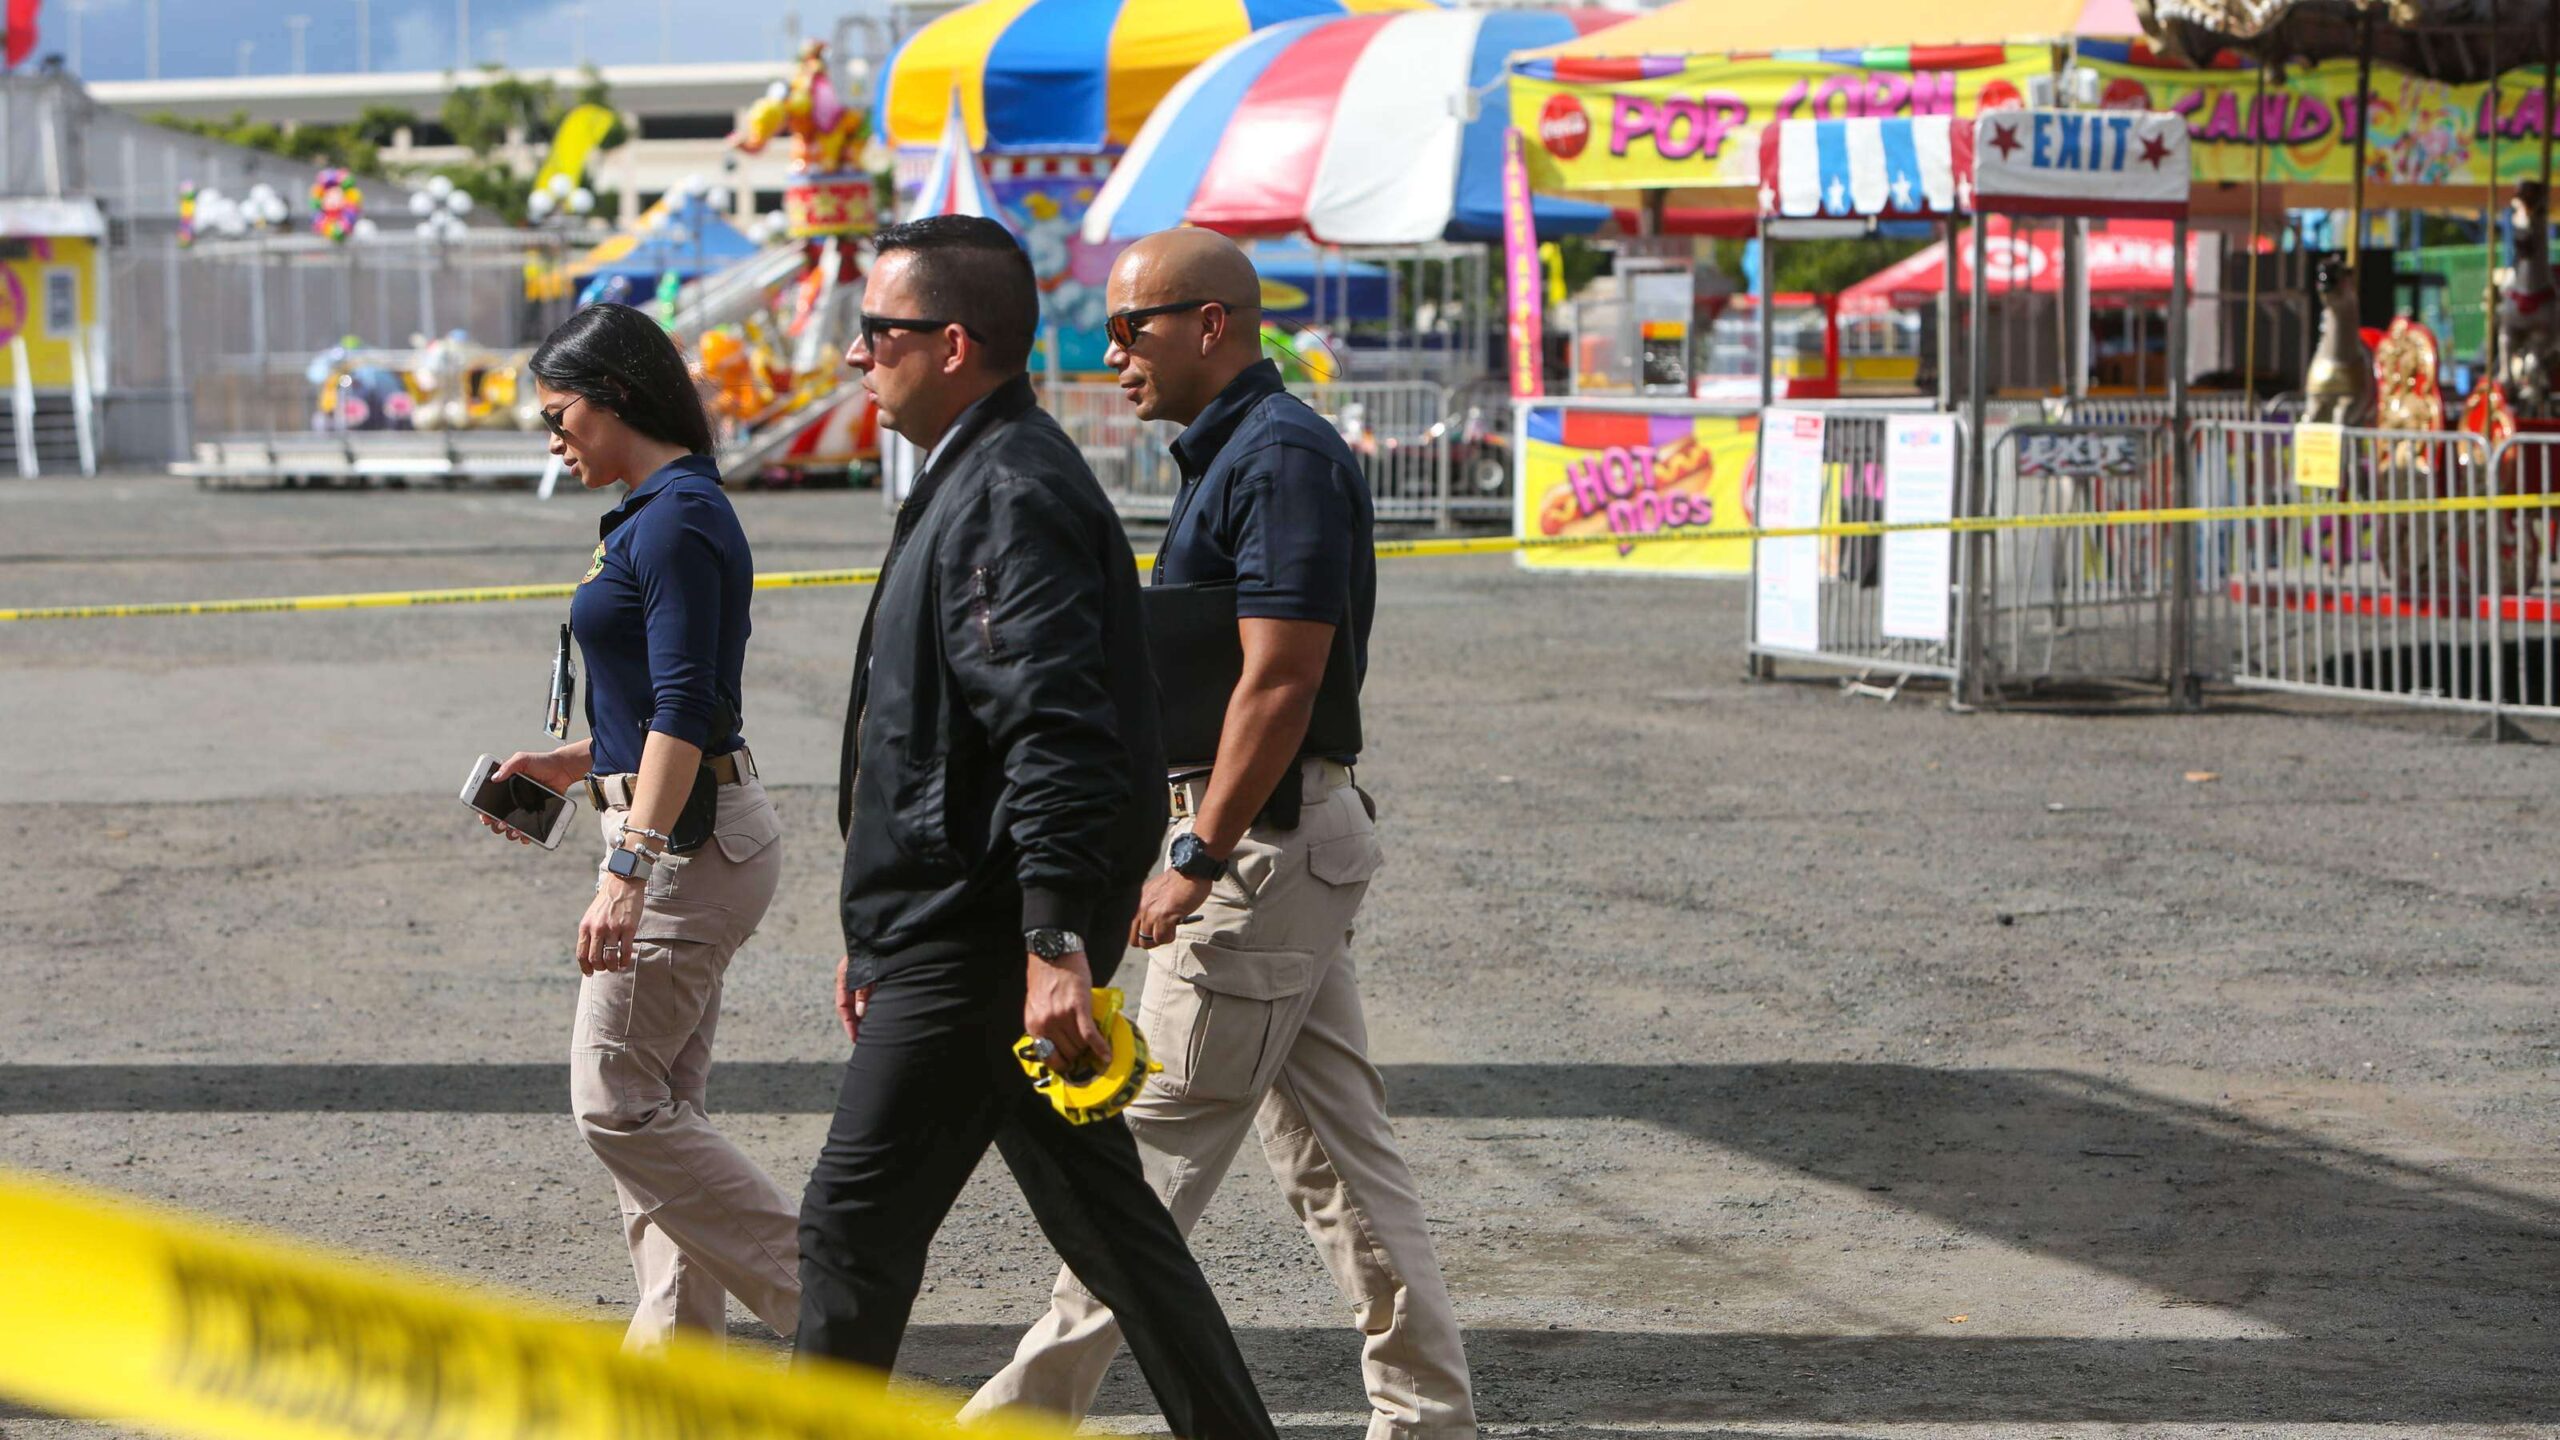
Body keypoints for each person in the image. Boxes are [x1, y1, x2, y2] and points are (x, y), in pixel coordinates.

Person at [963, 229, 1478, 1440]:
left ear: (1211, 324)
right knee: (1340, 1166)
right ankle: (1430, 1419)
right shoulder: (1243, 451)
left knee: (1143, 1159)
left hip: (1257, 843)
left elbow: (1281, 679)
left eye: (1131, 325)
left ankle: (1010, 1423)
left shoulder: (1279, 454)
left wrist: (1196, 854)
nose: (1111, 351)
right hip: (1277, 842)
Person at [796, 214, 1279, 1440]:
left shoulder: (1006, 488)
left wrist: (1054, 938)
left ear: (952, 344)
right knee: (1115, 1232)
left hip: (982, 934)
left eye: (877, 333)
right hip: (966, 924)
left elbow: (1055, 731)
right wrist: (876, 933)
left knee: (853, 1228)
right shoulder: (976, 472)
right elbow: (941, 737)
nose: (858, 357)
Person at [482, 302, 799, 1350]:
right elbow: (666, 706)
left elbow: (686, 707)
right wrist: (569, 766)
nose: (552, 435)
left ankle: (832, 1304)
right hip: (681, 822)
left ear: (616, 397)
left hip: (684, 843)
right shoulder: (657, 510)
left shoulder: (677, 520)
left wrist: (626, 868)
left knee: (616, 1101)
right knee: (662, 1113)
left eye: (559, 411)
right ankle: (671, 1377)